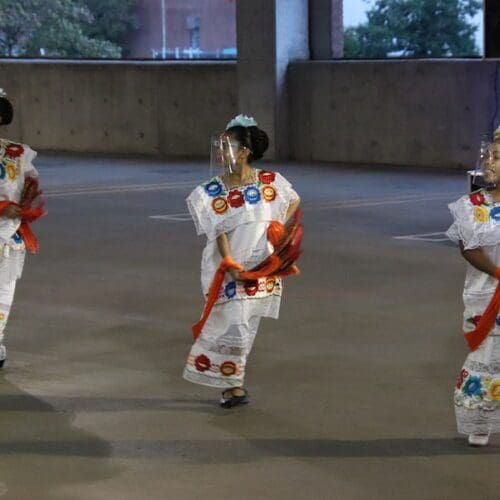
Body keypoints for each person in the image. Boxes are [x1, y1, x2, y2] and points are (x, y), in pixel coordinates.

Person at [183, 114, 301, 408]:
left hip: (262, 266)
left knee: (246, 325)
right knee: (231, 323)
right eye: (221, 147)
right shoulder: (212, 191)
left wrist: (279, 228)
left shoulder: (271, 182)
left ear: (244, 151)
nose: (221, 153)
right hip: (228, 270)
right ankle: (233, 384)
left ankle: (234, 383)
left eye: (227, 146)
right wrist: (229, 263)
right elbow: (219, 230)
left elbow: (294, 200)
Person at [447, 128, 500, 446]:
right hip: (485, 297)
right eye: (489, 156)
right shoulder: (471, 205)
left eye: (497, 157)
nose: (489, 163)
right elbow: (469, 247)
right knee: (486, 357)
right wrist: (498, 272)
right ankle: (480, 421)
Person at [0, 88, 46, 368]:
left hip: (10, 234)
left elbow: (32, 184)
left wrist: (26, 202)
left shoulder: (17, 152)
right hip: (8, 226)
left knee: (4, 289)